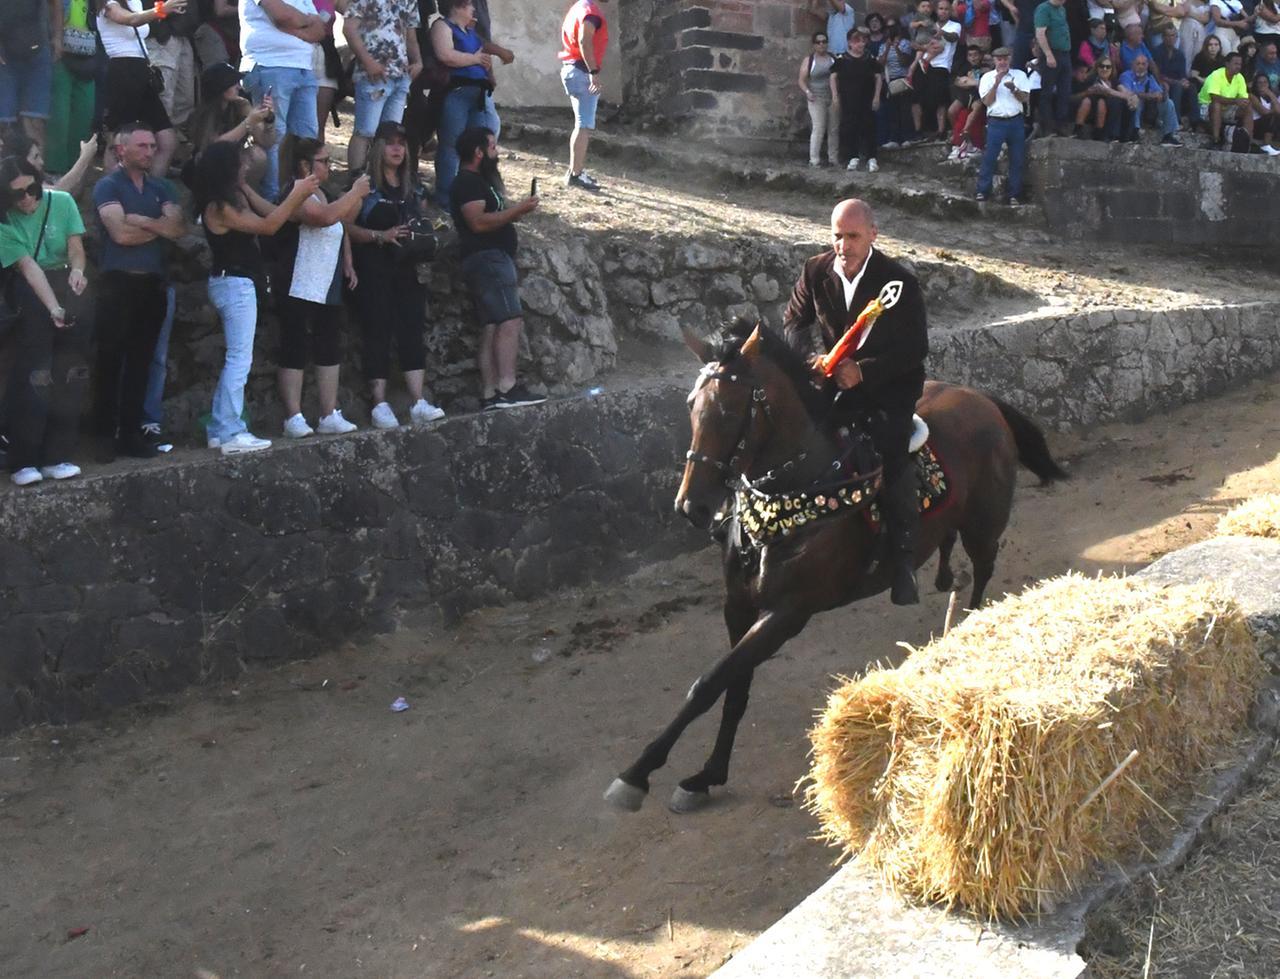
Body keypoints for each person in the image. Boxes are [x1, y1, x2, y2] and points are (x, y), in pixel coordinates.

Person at [782, 198, 928, 606]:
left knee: (892, 450)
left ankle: (903, 561)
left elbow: (915, 348)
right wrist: (810, 358)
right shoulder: (815, 270)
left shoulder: (898, 281)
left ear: (873, 234)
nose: (843, 246)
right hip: (832, 382)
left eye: (852, 236)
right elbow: (794, 321)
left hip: (890, 388)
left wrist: (864, 370)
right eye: (837, 236)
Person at [195, 141, 318, 454]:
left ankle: (219, 427)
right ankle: (230, 430)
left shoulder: (231, 198)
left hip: (236, 283)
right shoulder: (219, 206)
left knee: (237, 358)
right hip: (234, 284)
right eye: (240, 164)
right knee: (239, 360)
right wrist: (297, 194)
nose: (246, 167)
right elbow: (270, 225)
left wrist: (249, 190)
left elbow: (271, 215)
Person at [91, 123, 186, 459]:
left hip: (152, 285)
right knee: (109, 360)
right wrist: (157, 226)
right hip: (118, 284)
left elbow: (176, 228)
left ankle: (131, 433)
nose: (149, 152)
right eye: (142, 146)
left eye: (151, 146)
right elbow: (119, 234)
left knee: (141, 362)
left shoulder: (162, 187)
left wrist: (142, 222)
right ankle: (103, 434)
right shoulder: (108, 186)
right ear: (122, 150)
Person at [347, 120, 446, 428]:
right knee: (377, 330)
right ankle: (379, 403)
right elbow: (344, 227)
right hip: (374, 267)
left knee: (411, 329)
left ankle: (418, 401)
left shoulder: (414, 186)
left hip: (409, 268)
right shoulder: (363, 185)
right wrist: (380, 236)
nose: (397, 149)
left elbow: (426, 217)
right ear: (377, 147)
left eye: (401, 143)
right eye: (390, 142)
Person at [0, 156, 91, 486]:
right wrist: (53, 308)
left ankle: (58, 455)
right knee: (35, 375)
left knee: (70, 373)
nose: (27, 198)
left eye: (32, 189)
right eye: (17, 194)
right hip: (31, 292)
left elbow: (75, 247)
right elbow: (28, 268)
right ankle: (24, 460)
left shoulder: (62, 202)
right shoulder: (4, 222)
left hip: (67, 283)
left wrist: (78, 272)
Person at [274, 135, 369, 438]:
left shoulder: (325, 192)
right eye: (324, 160)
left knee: (329, 346)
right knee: (295, 346)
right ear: (305, 165)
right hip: (297, 279)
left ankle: (329, 413)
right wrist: (354, 191)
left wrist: (348, 260)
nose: (329, 165)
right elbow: (325, 218)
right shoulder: (296, 191)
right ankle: (293, 416)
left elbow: (342, 223)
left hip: (326, 280)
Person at [449, 126, 545, 411]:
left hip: (489, 258)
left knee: (491, 325)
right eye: (492, 146)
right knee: (509, 320)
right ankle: (507, 387)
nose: (496, 152)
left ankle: (491, 393)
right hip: (488, 258)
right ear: (478, 152)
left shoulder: (479, 180)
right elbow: (478, 222)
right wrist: (519, 210)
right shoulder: (467, 182)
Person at [239, 0, 328, 200]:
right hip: (269, 64)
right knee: (273, 135)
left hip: (304, 68)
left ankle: (303, 198)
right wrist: (303, 22)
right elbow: (282, 16)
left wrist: (294, 25)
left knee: (307, 138)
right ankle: (272, 200)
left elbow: (320, 30)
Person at [97, 0, 188, 177]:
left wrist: (164, 11)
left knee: (167, 139)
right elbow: (131, 20)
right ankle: (112, 191)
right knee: (117, 140)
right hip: (120, 70)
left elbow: (141, 20)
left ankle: (149, 191)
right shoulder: (108, 3)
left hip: (142, 70)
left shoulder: (135, 1)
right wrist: (161, 9)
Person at [431, 0, 509, 208]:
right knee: (451, 144)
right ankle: (446, 196)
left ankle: (482, 192)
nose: (473, 9)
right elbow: (446, 55)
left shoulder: (470, 32)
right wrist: (474, 60)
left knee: (484, 142)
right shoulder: (443, 26)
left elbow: (483, 58)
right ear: (457, 7)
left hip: (479, 94)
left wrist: (488, 72)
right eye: (468, 5)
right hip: (456, 92)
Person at [344, 0, 421, 172]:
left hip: (401, 75)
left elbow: (410, 36)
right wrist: (368, 61)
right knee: (365, 131)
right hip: (372, 75)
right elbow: (349, 29)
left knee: (391, 135)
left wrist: (418, 61)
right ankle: (356, 180)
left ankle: (382, 182)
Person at [189, 61, 276, 177]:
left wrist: (269, 120)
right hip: (207, 168)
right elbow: (213, 147)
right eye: (233, 83)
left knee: (257, 155)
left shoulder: (240, 105)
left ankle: (244, 192)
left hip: (233, 158)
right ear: (220, 86)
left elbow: (267, 142)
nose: (238, 87)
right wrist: (248, 123)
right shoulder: (204, 114)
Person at [558, 0, 608, 192]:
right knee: (584, 125)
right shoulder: (590, 11)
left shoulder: (577, 8)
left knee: (581, 123)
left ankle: (575, 171)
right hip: (582, 71)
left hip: (572, 69)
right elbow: (584, 41)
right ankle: (575, 175)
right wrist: (593, 72)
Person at [0, 0, 59, 158]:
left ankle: (36, 176)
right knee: (3, 122)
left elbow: (55, 3)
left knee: (35, 120)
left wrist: (58, 38)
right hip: (4, 52)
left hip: (38, 47)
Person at [47, 0, 100, 176]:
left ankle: (75, 169)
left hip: (87, 57)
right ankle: (54, 170)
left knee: (84, 115)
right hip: (59, 56)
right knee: (59, 116)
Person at [975, 46, 1030, 203]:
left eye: (1005, 59)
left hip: (1015, 120)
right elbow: (987, 101)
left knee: (1017, 159)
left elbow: (1025, 98)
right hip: (996, 121)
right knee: (990, 157)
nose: (1002, 62)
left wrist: (1014, 89)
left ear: (1010, 59)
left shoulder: (1019, 75)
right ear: (994, 61)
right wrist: (996, 83)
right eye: (999, 59)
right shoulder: (986, 77)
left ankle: (1014, 194)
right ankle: (982, 191)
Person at [143, 0, 201, 132]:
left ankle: (172, 139)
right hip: (160, 39)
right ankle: (157, 141)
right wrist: (162, 29)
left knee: (186, 99)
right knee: (164, 97)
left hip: (183, 36)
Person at [834, 28, 882, 170]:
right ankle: (852, 157)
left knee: (869, 126)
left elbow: (878, 76)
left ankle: (871, 158)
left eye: (863, 41)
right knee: (850, 127)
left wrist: (877, 96)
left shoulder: (870, 58)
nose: (861, 44)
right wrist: (835, 96)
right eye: (857, 41)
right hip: (849, 100)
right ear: (850, 42)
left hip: (867, 98)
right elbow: (833, 76)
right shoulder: (842, 59)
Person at [1119, 53, 1182, 141]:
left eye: (1143, 64)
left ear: (1147, 66)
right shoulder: (1126, 76)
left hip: (1148, 111)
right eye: (1138, 64)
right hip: (1130, 110)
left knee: (1169, 103)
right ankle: (1134, 132)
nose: (1141, 66)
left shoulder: (1150, 78)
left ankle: (1168, 135)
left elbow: (1159, 94)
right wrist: (1149, 95)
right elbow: (1129, 93)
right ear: (1133, 64)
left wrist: (1164, 92)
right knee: (1136, 100)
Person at [799, 31, 838, 166]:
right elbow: (801, 80)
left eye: (824, 41)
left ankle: (833, 159)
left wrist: (836, 96)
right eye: (818, 42)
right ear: (814, 45)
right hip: (816, 97)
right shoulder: (809, 60)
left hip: (832, 96)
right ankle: (814, 160)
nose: (822, 44)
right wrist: (807, 91)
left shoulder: (833, 58)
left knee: (834, 128)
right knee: (819, 127)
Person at [1034, 0, 1074, 135]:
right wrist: (1048, 54)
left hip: (1065, 52)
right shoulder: (1043, 9)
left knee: (1065, 91)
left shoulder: (1062, 9)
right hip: (1052, 52)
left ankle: (1061, 124)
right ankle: (1048, 126)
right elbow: (1040, 33)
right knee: (1047, 92)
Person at [1199, 49, 1251, 142]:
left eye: (1240, 64)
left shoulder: (1240, 77)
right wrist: (1235, 101)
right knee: (1216, 105)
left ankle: (1248, 139)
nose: (1238, 67)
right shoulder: (1216, 75)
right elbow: (1214, 98)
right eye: (1236, 64)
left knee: (1247, 107)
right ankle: (1216, 138)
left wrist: (1243, 102)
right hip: (1206, 107)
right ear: (1227, 64)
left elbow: (1243, 98)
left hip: (1227, 107)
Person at [947, 44, 986, 158]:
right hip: (964, 95)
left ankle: (965, 131)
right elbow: (958, 82)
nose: (973, 58)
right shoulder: (963, 67)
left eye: (975, 55)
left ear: (980, 56)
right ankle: (956, 132)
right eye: (970, 55)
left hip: (978, 96)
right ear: (967, 57)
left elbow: (982, 86)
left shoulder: (985, 68)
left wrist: (969, 81)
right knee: (951, 111)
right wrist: (973, 82)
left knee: (977, 107)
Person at [1153, 24, 1191, 120]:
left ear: (1176, 37)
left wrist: (1185, 81)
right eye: (1168, 36)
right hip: (1161, 81)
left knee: (1192, 87)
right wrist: (1177, 82)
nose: (1170, 38)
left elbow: (1183, 74)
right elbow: (1158, 74)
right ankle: (1175, 119)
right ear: (1163, 37)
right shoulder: (1157, 52)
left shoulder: (1179, 54)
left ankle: (1194, 120)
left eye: (1173, 35)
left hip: (1176, 81)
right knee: (1177, 87)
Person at [1248, 69, 1280, 151]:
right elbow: (1263, 112)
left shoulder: (1271, 97)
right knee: (1271, 116)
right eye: (1260, 82)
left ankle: (1272, 143)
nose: (1263, 85)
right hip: (1256, 125)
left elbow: (1278, 111)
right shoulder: (1252, 96)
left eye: (1265, 82)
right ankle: (1267, 144)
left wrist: (1270, 94)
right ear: (1256, 84)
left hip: (1269, 126)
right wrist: (1274, 111)